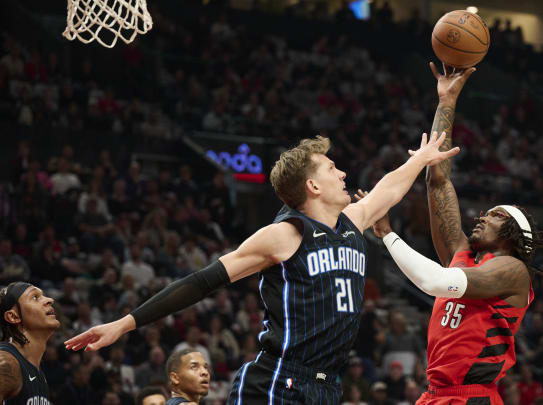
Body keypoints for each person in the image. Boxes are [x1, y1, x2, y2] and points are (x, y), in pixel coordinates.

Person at [65, 133, 458, 404]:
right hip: (279, 384)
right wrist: (124, 323)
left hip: (327, 387)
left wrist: (423, 157)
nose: (343, 175)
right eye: (332, 168)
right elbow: (203, 281)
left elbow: (391, 187)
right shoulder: (285, 234)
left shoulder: (352, 221)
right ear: (313, 187)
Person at [365, 62, 543, 405]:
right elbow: (437, 178)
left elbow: (436, 283)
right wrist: (446, 102)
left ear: (512, 234)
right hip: (436, 395)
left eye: (494, 216)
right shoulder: (465, 256)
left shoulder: (512, 271)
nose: (481, 217)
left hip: (472, 398)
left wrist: (389, 234)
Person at [0, 282, 59, 404]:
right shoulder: (6, 362)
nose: (50, 300)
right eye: (35, 297)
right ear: (13, 316)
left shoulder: (38, 372)